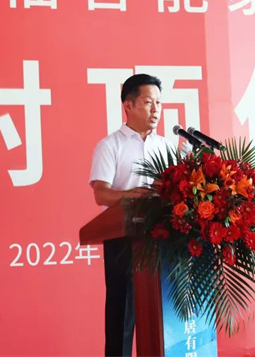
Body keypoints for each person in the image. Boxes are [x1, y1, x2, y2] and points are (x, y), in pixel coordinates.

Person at [88, 73, 171, 357]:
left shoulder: (165, 147)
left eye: (159, 103)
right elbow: (101, 194)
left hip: (162, 239)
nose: (156, 109)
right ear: (128, 106)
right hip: (123, 240)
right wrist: (134, 196)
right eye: (148, 102)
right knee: (121, 316)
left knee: (163, 315)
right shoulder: (110, 145)